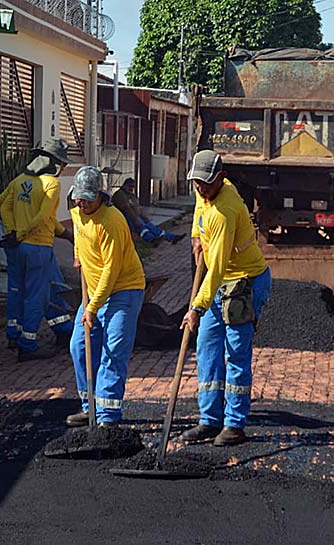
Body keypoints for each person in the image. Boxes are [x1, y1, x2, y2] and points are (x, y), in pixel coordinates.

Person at [180, 150, 271, 447]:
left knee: (236, 354)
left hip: (244, 283)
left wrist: (196, 308)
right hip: (221, 284)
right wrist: (196, 236)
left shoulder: (225, 211)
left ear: (221, 177)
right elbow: (198, 210)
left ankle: (234, 424)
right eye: (197, 183)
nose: (200, 188)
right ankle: (209, 419)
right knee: (206, 347)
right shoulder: (203, 190)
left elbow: (216, 269)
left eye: (206, 184)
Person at [65, 166, 145, 428]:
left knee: (113, 350)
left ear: (101, 195)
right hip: (95, 290)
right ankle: (89, 407)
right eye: (79, 197)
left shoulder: (112, 221)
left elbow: (112, 270)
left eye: (88, 198)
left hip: (123, 289)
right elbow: (78, 232)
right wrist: (78, 255)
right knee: (79, 345)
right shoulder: (77, 211)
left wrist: (92, 307)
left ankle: (108, 416)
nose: (83, 203)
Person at [0, 138, 73, 362]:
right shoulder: (51, 184)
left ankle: (14, 334)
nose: (64, 168)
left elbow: (1, 204)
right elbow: (42, 217)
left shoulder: (19, 180)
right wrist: (21, 234)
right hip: (38, 247)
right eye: (63, 164)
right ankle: (28, 344)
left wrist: (12, 231)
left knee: (16, 290)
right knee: (36, 295)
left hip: (16, 247)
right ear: (55, 163)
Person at [110, 177, 185, 244]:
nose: (131, 189)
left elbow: (137, 208)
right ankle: (151, 239)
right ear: (124, 185)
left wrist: (144, 216)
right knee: (142, 227)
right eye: (129, 187)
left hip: (136, 216)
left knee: (151, 226)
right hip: (127, 217)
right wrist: (136, 220)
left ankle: (171, 237)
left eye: (132, 187)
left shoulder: (131, 195)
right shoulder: (120, 194)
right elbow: (127, 209)